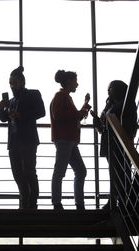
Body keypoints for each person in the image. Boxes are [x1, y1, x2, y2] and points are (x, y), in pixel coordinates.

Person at [0, 66, 45, 209]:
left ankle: (32, 201)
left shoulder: (33, 94)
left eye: (14, 83)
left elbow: (41, 112)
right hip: (14, 141)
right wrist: (1, 107)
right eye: (10, 83)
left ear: (22, 82)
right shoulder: (10, 101)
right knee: (17, 173)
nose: (12, 86)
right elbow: (2, 118)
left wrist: (20, 115)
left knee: (29, 171)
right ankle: (25, 199)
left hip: (28, 139)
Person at [91, 80, 137, 210]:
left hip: (118, 143)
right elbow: (103, 128)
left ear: (118, 89)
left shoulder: (125, 104)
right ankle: (116, 201)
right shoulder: (115, 105)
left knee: (119, 173)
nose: (108, 91)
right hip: (110, 142)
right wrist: (97, 120)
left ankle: (118, 201)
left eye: (110, 88)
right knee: (116, 173)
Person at [50, 69, 91, 210]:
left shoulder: (63, 96)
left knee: (78, 171)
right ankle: (59, 203)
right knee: (63, 171)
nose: (77, 85)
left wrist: (85, 105)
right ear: (69, 81)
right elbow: (60, 115)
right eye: (75, 81)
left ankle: (71, 203)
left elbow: (72, 115)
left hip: (68, 139)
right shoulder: (62, 96)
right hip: (65, 138)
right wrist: (81, 111)